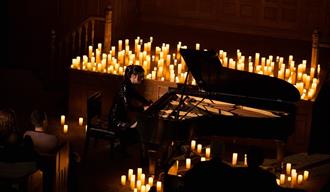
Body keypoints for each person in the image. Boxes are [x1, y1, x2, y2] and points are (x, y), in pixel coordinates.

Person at [108, 64, 152, 158]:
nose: (142, 79)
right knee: (136, 129)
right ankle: (122, 148)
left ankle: (122, 146)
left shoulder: (129, 85)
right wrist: (142, 108)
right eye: (140, 77)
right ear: (133, 76)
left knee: (137, 127)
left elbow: (138, 96)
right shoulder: (124, 88)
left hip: (122, 117)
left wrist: (147, 103)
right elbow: (127, 107)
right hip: (116, 120)